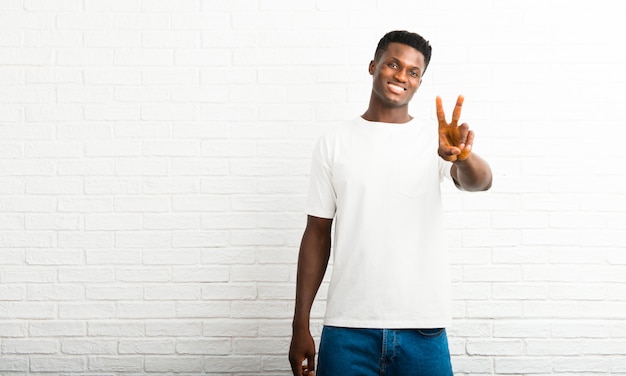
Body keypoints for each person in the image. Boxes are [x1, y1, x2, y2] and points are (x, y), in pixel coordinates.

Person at [288, 30, 492, 376]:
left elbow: (480, 182)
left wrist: (461, 158)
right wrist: (300, 324)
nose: (402, 76)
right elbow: (317, 235)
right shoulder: (334, 142)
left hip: (423, 329)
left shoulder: (436, 139)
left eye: (413, 71)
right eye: (394, 64)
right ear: (373, 66)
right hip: (347, 329)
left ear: (420, 82)